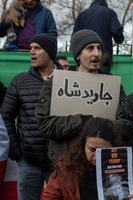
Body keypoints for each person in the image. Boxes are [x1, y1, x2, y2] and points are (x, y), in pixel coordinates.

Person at [35, 29, 133, 162]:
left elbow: (126, 124)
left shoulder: (112, 85)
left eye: (99, 48)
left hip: (104, 163)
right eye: (90, 48)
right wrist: (83, 121)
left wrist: (101, 125)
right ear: (78, 56)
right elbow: (46, 124)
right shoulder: (56, 83)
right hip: (67, 162)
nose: (97, 54)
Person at [0, 33, 62, 200]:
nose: (31, 51)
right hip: (28, 162)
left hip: (60, 164)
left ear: (50, 53)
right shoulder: (20, 81)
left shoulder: (68, 81)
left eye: (37, 48)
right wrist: (16, 152)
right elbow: (5, 116)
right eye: (31, 48)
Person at [42, 117, 133, 200]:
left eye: (103, 150)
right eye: (92, 149)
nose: (96, 156)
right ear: (83, 145)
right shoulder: (65, 170)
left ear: (113, 147)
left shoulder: (126, 171)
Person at [73, 0, 124, 73]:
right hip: (104, 52)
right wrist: (119, 39)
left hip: (84, 53)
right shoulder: (109, 12)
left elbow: (75, 37)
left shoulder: (82, 15)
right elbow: (116, 31)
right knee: (103, 79)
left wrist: (77, 52)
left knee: (83, 78)